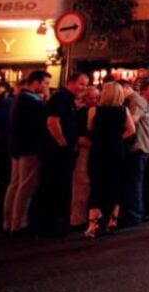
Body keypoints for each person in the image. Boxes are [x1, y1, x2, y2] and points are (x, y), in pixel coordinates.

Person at [34, 72, 88, 236]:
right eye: (81, 84)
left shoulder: (68, 99)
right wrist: (62, 142)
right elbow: (52, 121)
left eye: (86, 85)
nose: (83, 88)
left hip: (61, 151)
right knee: (52, 186)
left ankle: (52, 224)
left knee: (58, 187)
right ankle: (47, 226)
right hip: (55, 152)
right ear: (70, 82)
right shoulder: (61, 98)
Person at [84, 82, 135, 238]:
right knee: (115, 182)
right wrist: (118, 139)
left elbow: (89, 128)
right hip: (116, 149)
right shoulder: (123, 110)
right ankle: (112, 220)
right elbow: (131, 130)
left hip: (99, 148)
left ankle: (93, 223)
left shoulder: (93, 110)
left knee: (96, 183)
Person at [3, 71, 51, 235]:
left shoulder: (19, 99)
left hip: (17, 147)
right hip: (29, 148)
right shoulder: (32, 101)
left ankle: (8, 222)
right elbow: (39, 125)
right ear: (35, 83)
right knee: (25, 185)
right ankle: (18, 224)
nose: (46, 87)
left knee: (15, 184)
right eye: (45, 83)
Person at [122, 79, 149, 227]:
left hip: (139, 146)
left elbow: (133, 121)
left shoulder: (136, 101)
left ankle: (134, 215)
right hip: (138, 146)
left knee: (135, 182)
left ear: (126, 88)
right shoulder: (133, 100)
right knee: (132, 181)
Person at [70, 85, 99, 230]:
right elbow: (79, 136)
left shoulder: (97, 112)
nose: (94, 100)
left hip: (92, 150)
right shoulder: (81, 113)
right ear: (85, 99)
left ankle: (90, 218)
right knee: (81, 186)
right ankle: (77, 219)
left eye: (96, 98)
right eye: (91, 98)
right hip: (84, 151)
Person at [0, 83, 16, 233]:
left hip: (2, 148)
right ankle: (0, 220)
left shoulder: (3, 105)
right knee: (3, 185)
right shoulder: (9, 104)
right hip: (2, 150)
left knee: (2, 186)